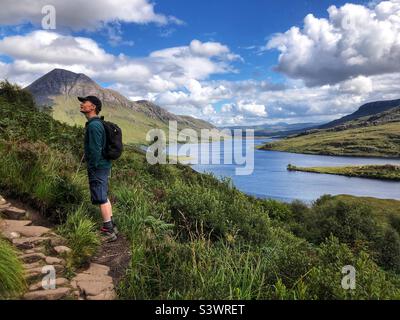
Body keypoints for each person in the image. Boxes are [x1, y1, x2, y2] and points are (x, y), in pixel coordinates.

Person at [79, 96, 118, 242]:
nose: (82, 104)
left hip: (98, 166)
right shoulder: (95, 124)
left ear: (93, 107)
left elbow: (95, 149)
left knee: (100, 197)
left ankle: (108, 231)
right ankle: (111, 225)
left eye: (85, 102)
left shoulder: (94, 126)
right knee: (103, 195)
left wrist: (92, 165)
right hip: (103, 165)